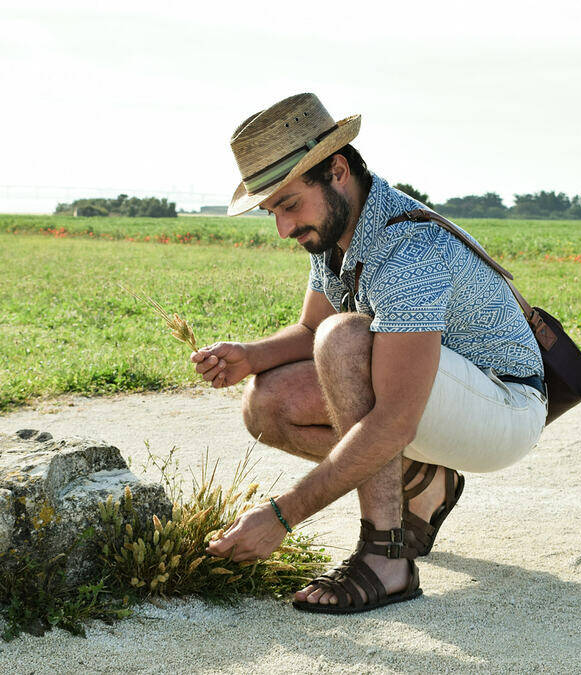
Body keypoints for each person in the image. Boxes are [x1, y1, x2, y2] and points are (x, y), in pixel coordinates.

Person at [190, 93, 547, 615]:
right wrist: (250, 355)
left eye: (288, 205)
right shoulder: (336, 229)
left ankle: (387, 560)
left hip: (505, 406)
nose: (283, 229)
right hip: (438, 395)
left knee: (345, 339)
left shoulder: (409, 249)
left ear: (337, 170)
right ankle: (423, 481)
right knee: (267, 402)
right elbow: (311, 327)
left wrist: (282, 516)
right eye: (273, 212)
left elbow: (392, 416)